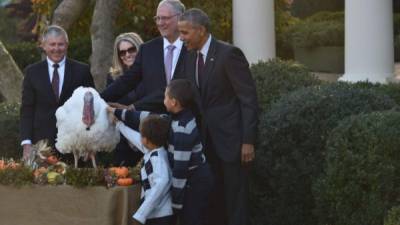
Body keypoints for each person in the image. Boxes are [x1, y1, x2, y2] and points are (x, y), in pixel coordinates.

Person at [178, 9, 259, 225]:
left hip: (232, 142)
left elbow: (248, 99)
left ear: (201, 30)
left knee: (236, 202)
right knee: (213, 200)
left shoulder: (229, 54)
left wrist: (248, 141)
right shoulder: (189, 56)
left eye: (185, 32)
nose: (181, 38)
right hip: (206, 143)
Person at [110, 79, 213, 225]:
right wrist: (116, 112)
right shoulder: (173, 118)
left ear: (174, 102)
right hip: (186, 179)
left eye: (165, 97)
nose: (162, 100)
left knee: (191, 219)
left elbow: (180, 170)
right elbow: (145, 117)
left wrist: (176, 205)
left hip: (195, 181)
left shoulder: (182, 130)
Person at [20, 25, 95, 162]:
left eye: (60, 44)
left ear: (67, 45)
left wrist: (90, 142)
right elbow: (27, 109)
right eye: (52, 44)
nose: (56, 49)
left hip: (76, 145)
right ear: (43, 46)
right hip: (42, 145)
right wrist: (26, 143)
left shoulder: (82, 71)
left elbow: (91, 108)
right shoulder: (32, 72)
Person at [101, 0, 187, 114]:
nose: (160, 23)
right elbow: (127, 81)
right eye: (157, 18)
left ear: (180, 17)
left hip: (190, 121)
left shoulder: (192, 47)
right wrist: (97, 98)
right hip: (154, 122)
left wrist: (133, 107)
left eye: (165, 18)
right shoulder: (147, 49)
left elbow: (177, 88)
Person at [114, 115, 174, 225]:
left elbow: (162, 183)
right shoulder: (152, 150)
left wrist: (142, 213)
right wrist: (119, 125)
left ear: (146, 140)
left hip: (160, 216)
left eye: (142, 136)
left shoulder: (157, 159)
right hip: (154, 214)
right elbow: (135, 137)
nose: (140, 139)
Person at [107, 32, 144, 167]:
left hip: (146, 133)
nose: (127, 54)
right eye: (122, 52)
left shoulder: (150, 74)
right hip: (122, 136)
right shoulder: (113, 77)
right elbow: (109, 108)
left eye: (131, 49)